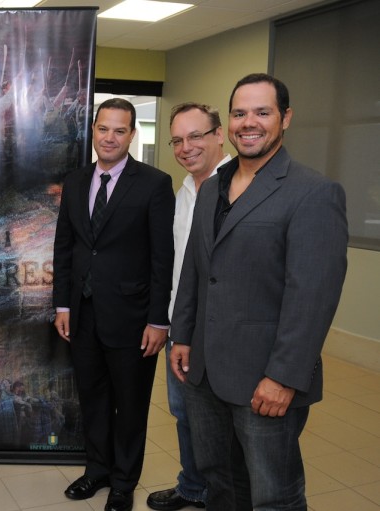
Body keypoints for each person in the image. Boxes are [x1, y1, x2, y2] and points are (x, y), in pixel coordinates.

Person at [170, 73, 349, 510]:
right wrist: (183, 334)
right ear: (228, 122)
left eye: (262, 112)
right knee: (222, 484)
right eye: (239, 112)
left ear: (285, 118)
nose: (249, 122)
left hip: (263, 380)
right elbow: (196, 270)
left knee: (274, 494)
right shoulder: (212, 186)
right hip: (204, 372)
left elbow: (312, 297)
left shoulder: (313, 193)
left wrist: (284, 377)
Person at [53, 98, 175, 511]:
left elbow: (163, 257)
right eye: (103, 128)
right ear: (93, 131)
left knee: (131, 404)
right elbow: (65, 247)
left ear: (131, 134)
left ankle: (124, 482)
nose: (110, 137)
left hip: (133, 318)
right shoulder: (74, 181)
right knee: (93, 398)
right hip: (82, 314)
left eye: (119, 130)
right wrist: (63, 307)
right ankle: (97, 471)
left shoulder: (155, 184)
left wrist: (159, 319)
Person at [146, 103, 231, 511]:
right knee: (184, 413)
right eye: (177, 140)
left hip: (221, 330)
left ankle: (223, 496)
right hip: (182, 325)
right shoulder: (183, 190)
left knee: (224, 424)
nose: (186, 147)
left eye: (196, 136)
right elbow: (175, 263)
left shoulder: (239, 188)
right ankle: (193, 487)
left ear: (219, 134)